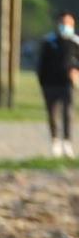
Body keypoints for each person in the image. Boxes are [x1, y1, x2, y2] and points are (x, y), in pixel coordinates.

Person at [37, 11, 79, 158]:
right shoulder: (49, 41)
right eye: (63, 23)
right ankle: (55, 141)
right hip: (50, 83)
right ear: (58, 24)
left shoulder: (76, 41)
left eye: (69, 23)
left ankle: (67, 142)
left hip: (68, 84)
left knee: (68, 113)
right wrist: (42, 82)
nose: (66, 26)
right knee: (52, 113)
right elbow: (41, 64)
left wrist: (76, 72)